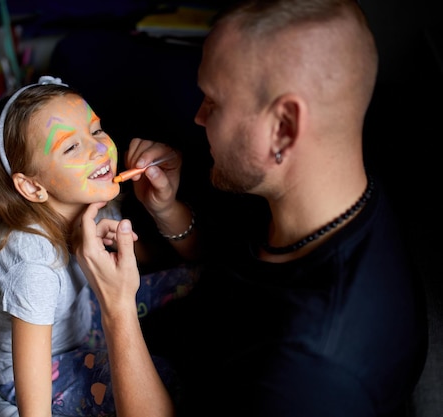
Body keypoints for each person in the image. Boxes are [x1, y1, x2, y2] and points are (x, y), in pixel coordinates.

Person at [74, 1, 428, 416]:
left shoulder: (310, 374)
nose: (198, 117)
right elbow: (231, 265)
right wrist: (168, 211)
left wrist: (117, 310)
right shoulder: (316, 186)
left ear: (283, 128)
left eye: (213, 102)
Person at [0, 75, 196, 417]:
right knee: (167, 381)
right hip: (42, 367)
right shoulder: (32, 266)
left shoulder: (92, 197)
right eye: (71, 147)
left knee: (198, 279)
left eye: (95, 130)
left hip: (85, 316)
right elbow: (34, 409)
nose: (99, 149)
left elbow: (152, 259)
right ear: (33, 188)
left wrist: (139, 236)